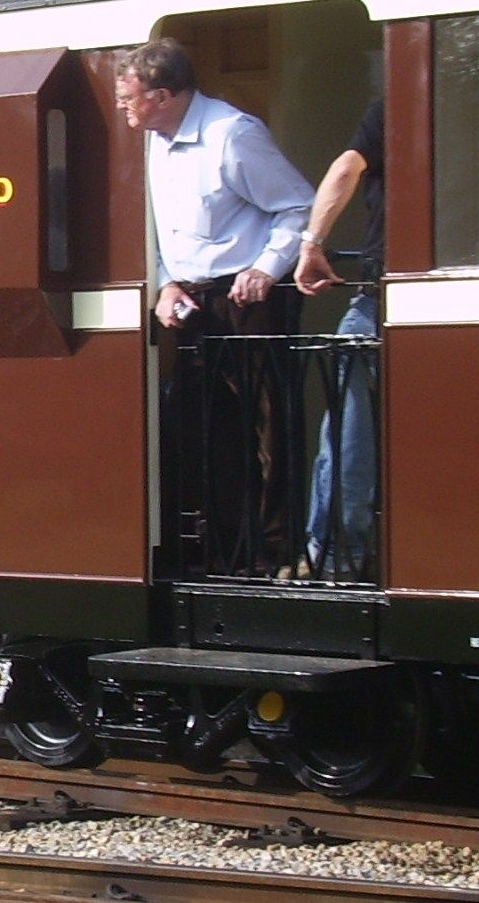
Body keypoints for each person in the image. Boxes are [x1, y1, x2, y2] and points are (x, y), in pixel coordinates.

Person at [116, 39, 314, 574]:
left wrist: (265, 270)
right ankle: (230, 554)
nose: (122, 106)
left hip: (247, 300)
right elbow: (157, 229)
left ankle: (279, 553)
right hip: (192, 302)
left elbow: (299, 205)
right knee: (209, 430)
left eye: (128, 96)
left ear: (161, 95)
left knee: (269, 430)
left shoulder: (233, 135)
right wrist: (164, 283)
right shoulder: (153, 140)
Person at [294, 100, 384, 579]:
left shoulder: (394, 106)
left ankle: (335, 559)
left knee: (350, 432)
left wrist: (311, 244)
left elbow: (347, 167)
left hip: (379, 298)